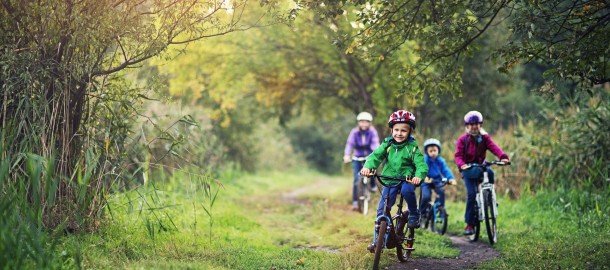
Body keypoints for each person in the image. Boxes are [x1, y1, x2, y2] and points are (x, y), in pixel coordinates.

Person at [360, 110, 428, 252]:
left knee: (407, 190)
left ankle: (414, 213)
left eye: (404, 130)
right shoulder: (388, 144)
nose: (399, 133)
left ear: (410, 132)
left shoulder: (412, 147)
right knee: (382, 210)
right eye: (396, 130)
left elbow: (421, 164)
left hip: (406, 178)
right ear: (391, 130)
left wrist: (418, 176)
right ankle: (377, 241)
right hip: (389, 179)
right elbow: (375, 156)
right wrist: (368, 167)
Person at [454, 111, 510, 236]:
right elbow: (458, 155)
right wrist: (461, 164)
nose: (474, 126)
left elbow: (494, 147)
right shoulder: (463, 140)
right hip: (468, 169)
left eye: (477, 124)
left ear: (480, 125)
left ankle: (490, 196)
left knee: (490, 172)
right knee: (472, 194)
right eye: (471, 124)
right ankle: (469, 224)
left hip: (481, 166)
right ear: (467, 126)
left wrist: (503, 157)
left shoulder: (484, 137)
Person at [343, 112, 380, 211]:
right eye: (361, 122)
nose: (364, 124)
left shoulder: (372, 132)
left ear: (369, 123)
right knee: (356, 179)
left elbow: (375, 143)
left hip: (369, 156)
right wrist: (347, 155)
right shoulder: (354, 132)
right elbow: (349, 144)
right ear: (358, 123)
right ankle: (355, 202)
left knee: (372, 171)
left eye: (366, 122)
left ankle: (372, 184)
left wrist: (376, 154)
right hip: (357, 157)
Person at [420, 138, 456, 220]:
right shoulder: (425, 160)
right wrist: (424, 177)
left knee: (441, 193)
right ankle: (422, 212)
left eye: (434, 150)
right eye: (430, 151)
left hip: (437, 180)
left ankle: (439, 209)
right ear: (427, 152)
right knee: (426, 196)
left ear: (438, 151)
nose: (433, 153)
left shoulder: (441, 160)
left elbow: (445, 170)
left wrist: (451, 179)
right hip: (426, 180)